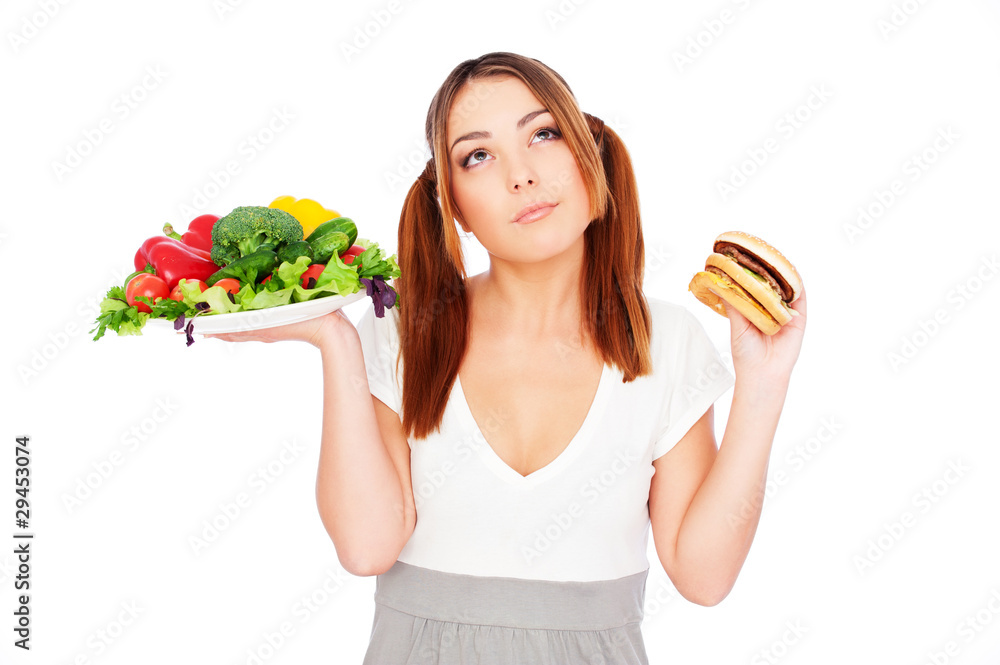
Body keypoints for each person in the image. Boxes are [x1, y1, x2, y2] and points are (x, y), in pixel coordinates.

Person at [209, 51, 806, 665]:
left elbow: (704, 578)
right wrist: (337, 343)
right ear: (455, 207)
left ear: (588, 157)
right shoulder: (405, 328)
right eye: (478, 155)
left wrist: (764, 385)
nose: (520, 176)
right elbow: (366, 549)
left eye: (543, 134)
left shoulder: (665, 341)